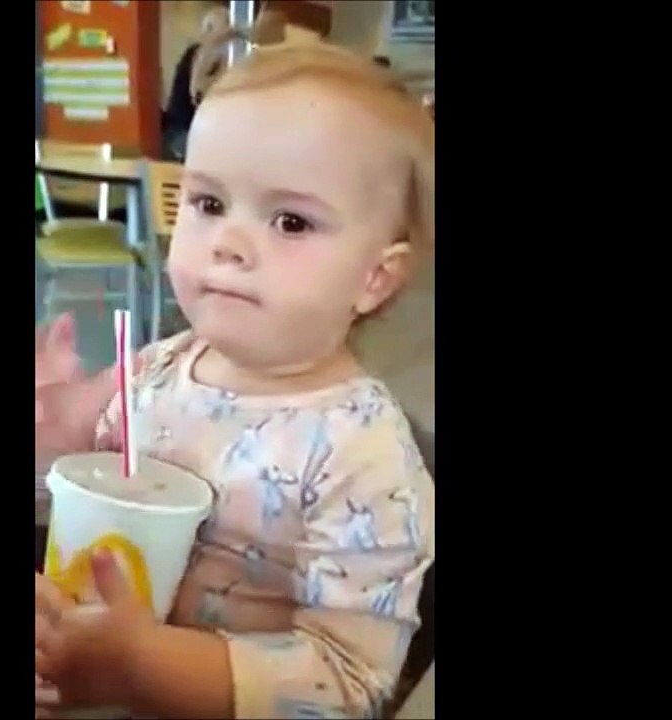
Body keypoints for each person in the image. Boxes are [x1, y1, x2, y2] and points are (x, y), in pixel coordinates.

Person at [35, 43, 435, 719]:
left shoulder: (364, 458)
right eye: (209, 202)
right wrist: (51, 425)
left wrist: (143, 665)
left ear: (375, 278)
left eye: (290, 221)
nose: (228, 243)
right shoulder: (159, 367)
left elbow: (349, 683)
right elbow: (79, 494)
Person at [162, 4, 230, 160]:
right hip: (183, 130)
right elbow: (198, 94)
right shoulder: (199, 54)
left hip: (188, 129)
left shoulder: (212, 53)